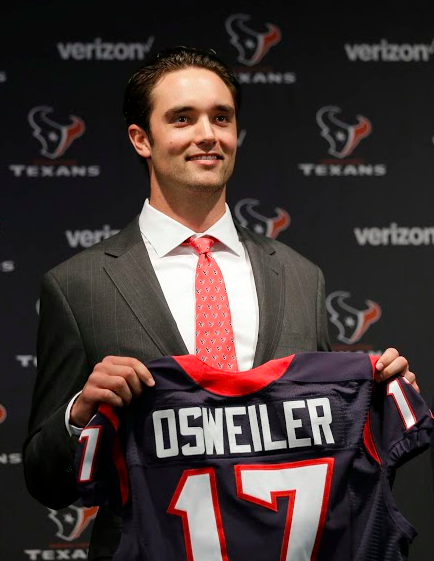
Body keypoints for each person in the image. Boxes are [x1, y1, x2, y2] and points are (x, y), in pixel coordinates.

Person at [23, 46, 417, 560]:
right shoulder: (78, 286)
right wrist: (80, 414)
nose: (207, 134)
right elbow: (44, 480)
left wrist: (379, 404)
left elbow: (326, 451)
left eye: (221, 117)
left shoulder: (301, 277)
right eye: (182, 118)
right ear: (141, 138)